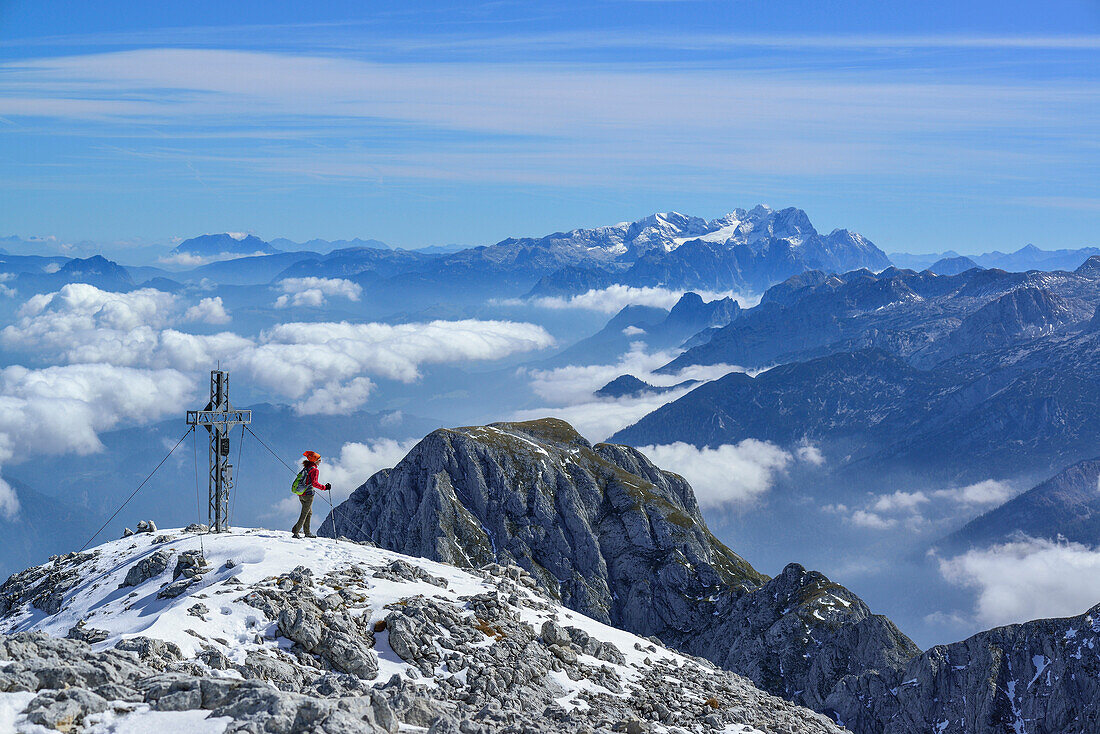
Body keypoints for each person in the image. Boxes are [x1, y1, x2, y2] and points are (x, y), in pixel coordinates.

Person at [292, 450, 330, 538]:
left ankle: (307, 532)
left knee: (309, 513)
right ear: (315, 460)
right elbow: (314, 483)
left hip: (301, 494)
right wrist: (325, 487)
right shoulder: (315, 470)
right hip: (309, 495)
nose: (320, 462)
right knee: (305, 513)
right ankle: (296, 531)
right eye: (319, 460)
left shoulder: (306, 468)